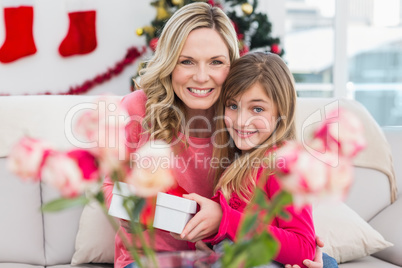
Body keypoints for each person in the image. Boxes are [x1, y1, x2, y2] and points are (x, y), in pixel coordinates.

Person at [102, 2, 333, 268]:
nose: (202, 77)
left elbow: (276, 217)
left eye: (216, 62)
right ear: (169, 63)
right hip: (151, 258)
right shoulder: (135, 109)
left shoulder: (240, 122)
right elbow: (112, 186)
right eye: (186, 61)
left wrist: (306, 250)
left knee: (324, 262)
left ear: (232, 66)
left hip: (222, 253)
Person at [171, 52, 338, 268]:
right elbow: (230, 232)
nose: (241, 121)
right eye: (232, 106)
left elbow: (304, 248)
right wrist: (206, 236)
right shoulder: (237, 162)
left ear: (281, 112)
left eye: (257, 109)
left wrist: (225, 220)